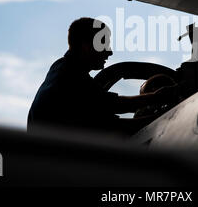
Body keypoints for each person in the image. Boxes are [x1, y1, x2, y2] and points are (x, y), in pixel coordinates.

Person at [27, 17, 176, 136]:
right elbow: (115, 108)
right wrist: (162, 105)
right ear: (86, 46)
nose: (109, 52)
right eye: (104, 44)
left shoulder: (61, 68)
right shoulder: (70, 78)